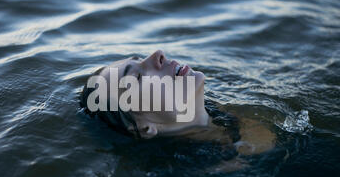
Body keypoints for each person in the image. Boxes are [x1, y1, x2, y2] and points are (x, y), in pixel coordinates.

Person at [80, 50, 276, 158]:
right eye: (137, 77)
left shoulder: (238, 117)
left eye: (139, 58)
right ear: (145, 127)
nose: (158, 54)